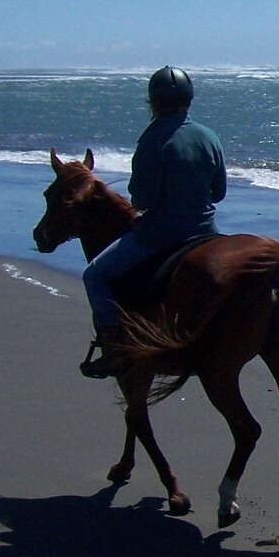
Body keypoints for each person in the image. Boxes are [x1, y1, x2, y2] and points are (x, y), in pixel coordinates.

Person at [78, 65, 228, 378]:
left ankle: (113, 347)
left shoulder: (152, 140)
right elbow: (219, 192)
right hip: (207, 232)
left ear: (153, 103)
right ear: (189, 99)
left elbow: (142, 200)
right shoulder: (209, 136)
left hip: (161, 235)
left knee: (95, 275)